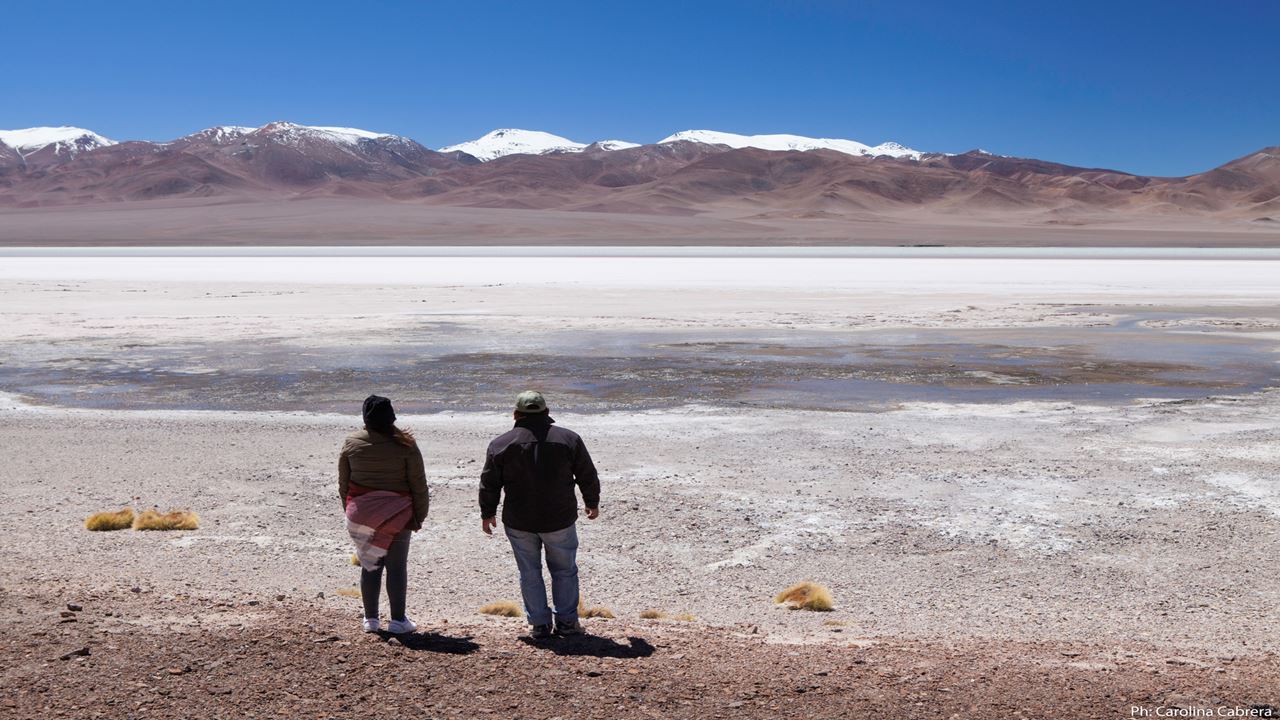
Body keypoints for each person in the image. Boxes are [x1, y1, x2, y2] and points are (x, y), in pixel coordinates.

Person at [480, 391, 600, 639]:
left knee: (529, 572)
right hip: (559, 518)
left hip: (519, 519)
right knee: (564, 570)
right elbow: (586, 473)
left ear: (516, 414)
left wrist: (488, 513)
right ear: (547, 413)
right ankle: (567, 623)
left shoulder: (501, 443)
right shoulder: (569, 439)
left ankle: (539, 624)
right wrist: (592, 502)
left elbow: (490, 483)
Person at [339, 395, 429, 634]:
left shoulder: (352, 442)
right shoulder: (406, 444)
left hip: (361, 514)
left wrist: (350, 511)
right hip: (397, 514)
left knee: (370, 564)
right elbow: (418, 483)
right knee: (397, 567)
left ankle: (371, 620)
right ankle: (398, 621)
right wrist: (419, 516)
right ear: (391, 417)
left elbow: (344, 483)